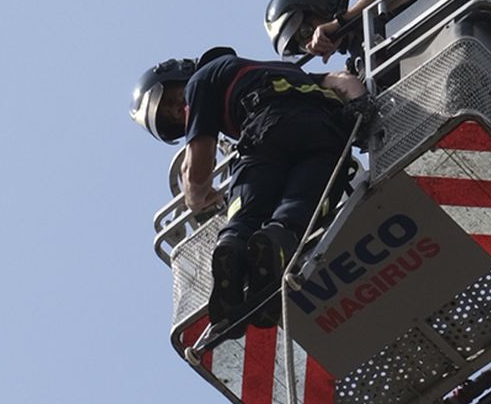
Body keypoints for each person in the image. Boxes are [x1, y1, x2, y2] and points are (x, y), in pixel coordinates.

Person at [131, 46, 364, 330]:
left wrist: (195, 198)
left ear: (179, 78)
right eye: (170, 116)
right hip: (323, 133)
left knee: (247, 208)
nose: (177, 111)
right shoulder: (282, 70)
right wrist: (361, 105)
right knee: (302, 204)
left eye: (170, 100)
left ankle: (233, 246)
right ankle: (276, 242)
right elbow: (341, 80)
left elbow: (198, 163)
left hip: (264, 133)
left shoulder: (201, 82)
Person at [263, 0, 409, 61]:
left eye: (306, 31)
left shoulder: (376, 16)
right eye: (302, 45)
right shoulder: (357, 68)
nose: (310, 42)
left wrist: (341, 23)